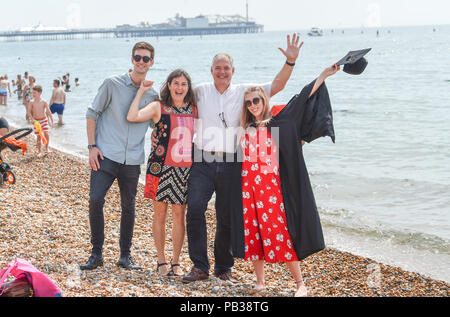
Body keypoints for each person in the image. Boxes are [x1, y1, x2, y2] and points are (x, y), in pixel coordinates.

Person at [180, 34, 303, 284]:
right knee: (194, 208)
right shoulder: (199, 91)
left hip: (232, 162)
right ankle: (199, 266)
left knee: (226, 215)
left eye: (226, 68)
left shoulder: (244, 91)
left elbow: (276, 86)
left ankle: (223, 267)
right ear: (211, 70)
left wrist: (290, 62)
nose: (222, 72)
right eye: (218, 68)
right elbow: (175, 97)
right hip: (202, 160)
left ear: (233, 70)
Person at [229, 64, 340, 297]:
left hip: (272, 190)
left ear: (264, 100)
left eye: (257, 100)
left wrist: (322, 75)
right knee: (253, 234)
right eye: (249, 102)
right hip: (249, 190)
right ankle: (260, 281)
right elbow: (239, 161)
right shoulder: (244, 128)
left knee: (281, 232)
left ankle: (300, 283)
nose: (253, 105)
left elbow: (301, 99)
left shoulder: (278, 121)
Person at [80, 41, 159, 271]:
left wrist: (157, 137)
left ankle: (125, 255)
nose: (141, 62)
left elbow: (157, 125)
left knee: (129, 207)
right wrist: (91, 146)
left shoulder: (153, 94)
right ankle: (96, 253)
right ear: (132, 59)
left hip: (133, 160)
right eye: (138, 57)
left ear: (152, 62)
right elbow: (92, 113)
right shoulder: (111, 84)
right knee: (95, 200)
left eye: (146, 58)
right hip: (105, 155)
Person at [127, 69, 197, 277]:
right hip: (160, 167)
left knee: (179, 215)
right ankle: (161, 261)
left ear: (188, 87)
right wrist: (141, 91)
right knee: (160, 214)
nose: (179, 88)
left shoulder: (194, 109)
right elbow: (132, 116)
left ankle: (176, 262)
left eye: (184, 84)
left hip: (184, 169)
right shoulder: (159, 107)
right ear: (169, 85)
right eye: (176, 83)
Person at [28, 85, 54, 156]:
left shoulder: (44, 101)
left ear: (40, 93)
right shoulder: (31, 102)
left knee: (46, 134)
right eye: (32, 93)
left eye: (34, 93)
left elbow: (48, 111)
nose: (33, 94)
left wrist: (52, 120)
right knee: (38, 136)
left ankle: (47, 148)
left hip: (44, 120)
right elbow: (29, 112)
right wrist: (32, 119)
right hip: (36, 121)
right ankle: (39, 151)